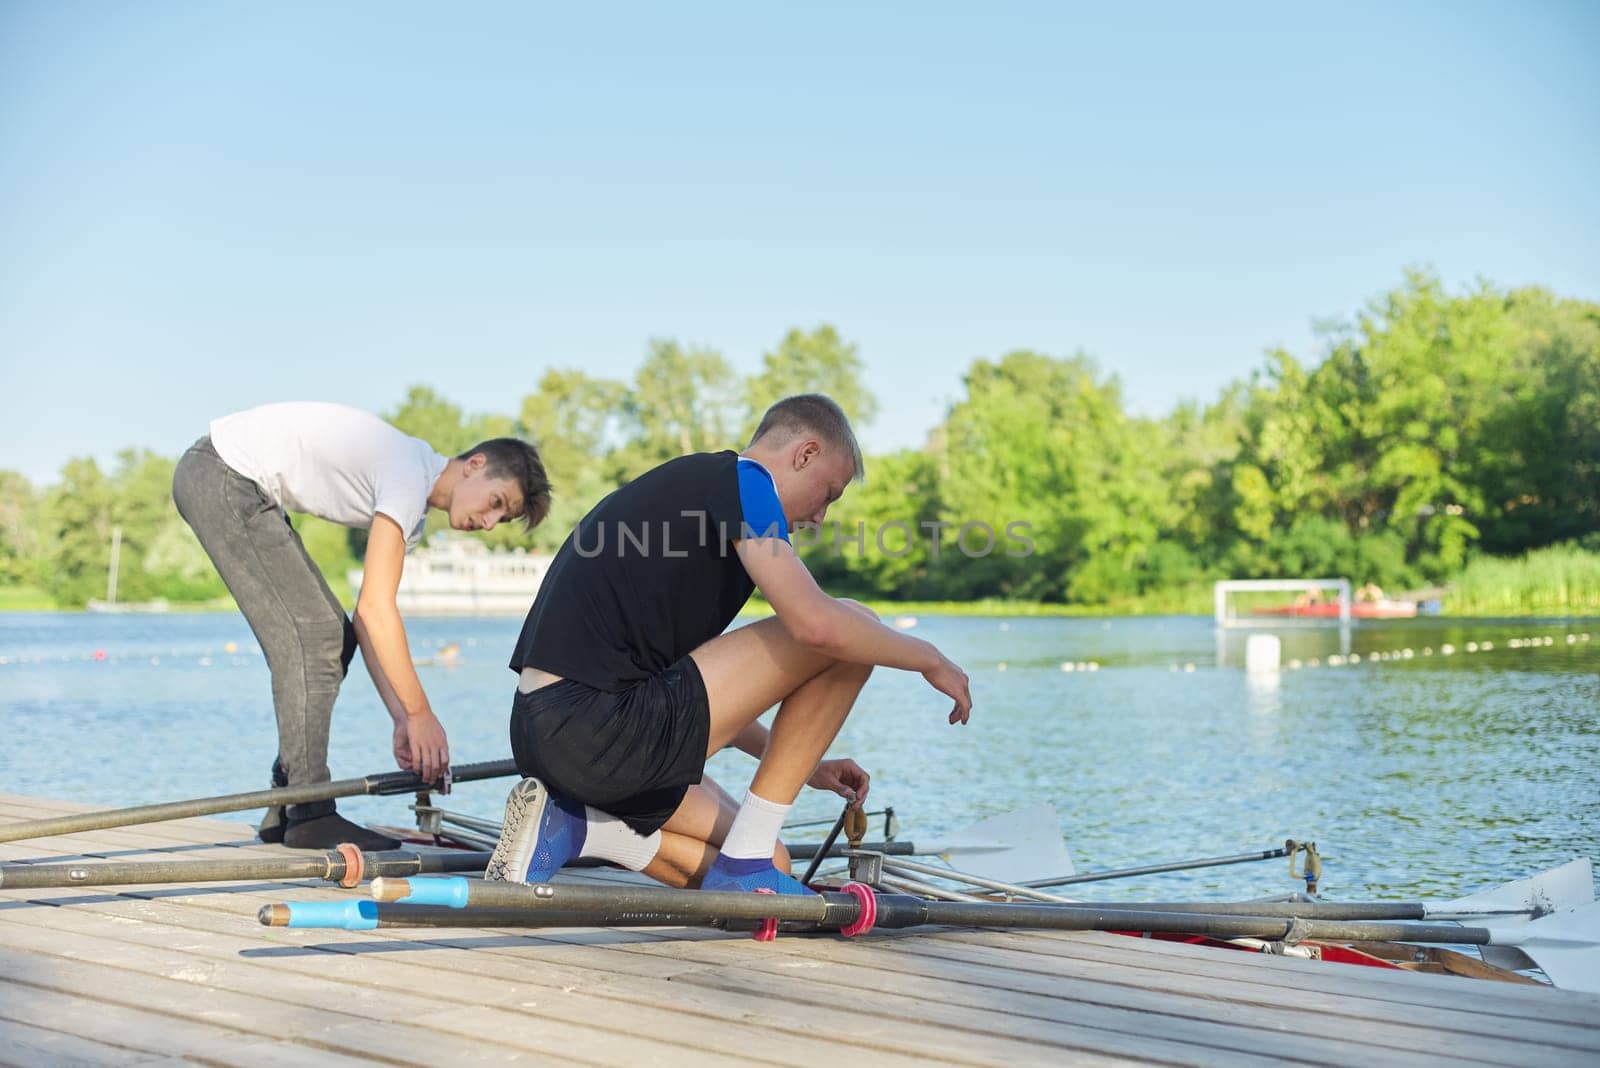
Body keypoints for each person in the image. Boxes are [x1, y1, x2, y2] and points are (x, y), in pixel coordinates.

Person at [487, 393, 973, 896]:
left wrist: (804, 764)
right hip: (594, 727)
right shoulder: (744, 481)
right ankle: (743, 864)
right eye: (828, 493)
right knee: (855, 624)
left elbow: (695, 690)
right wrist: (929, 659)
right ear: (804, 454)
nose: (821, 517)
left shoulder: (693, 499)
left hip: (548, 737)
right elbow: (817, 627)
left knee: (772, 861)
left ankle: (579, 830)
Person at [172, 401, 550, 850]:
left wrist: (401, 719)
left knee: (332, 634)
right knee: (314, 636)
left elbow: (367, 622)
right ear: (475, 464)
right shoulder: (409, 476)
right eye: (495, 502)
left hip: (231, 480)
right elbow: (376, 608)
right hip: (221, 474)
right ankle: (308, 811)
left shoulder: (412, 496)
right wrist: (420, 714)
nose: (487, 523)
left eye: (500, 519)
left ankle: (288, 799)